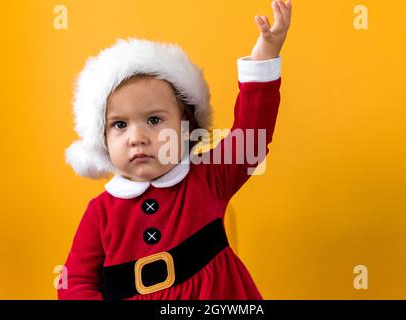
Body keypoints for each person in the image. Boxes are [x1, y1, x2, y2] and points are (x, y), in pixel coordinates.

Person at [59, 0, 292, 300]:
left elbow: (251, 136)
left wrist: (264, 58)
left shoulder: (207, 179)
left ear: (186, 127)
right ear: (101, 138)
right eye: (119, 125)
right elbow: (74, 282)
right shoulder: (100, 213)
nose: (137, 137)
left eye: (154, 120)